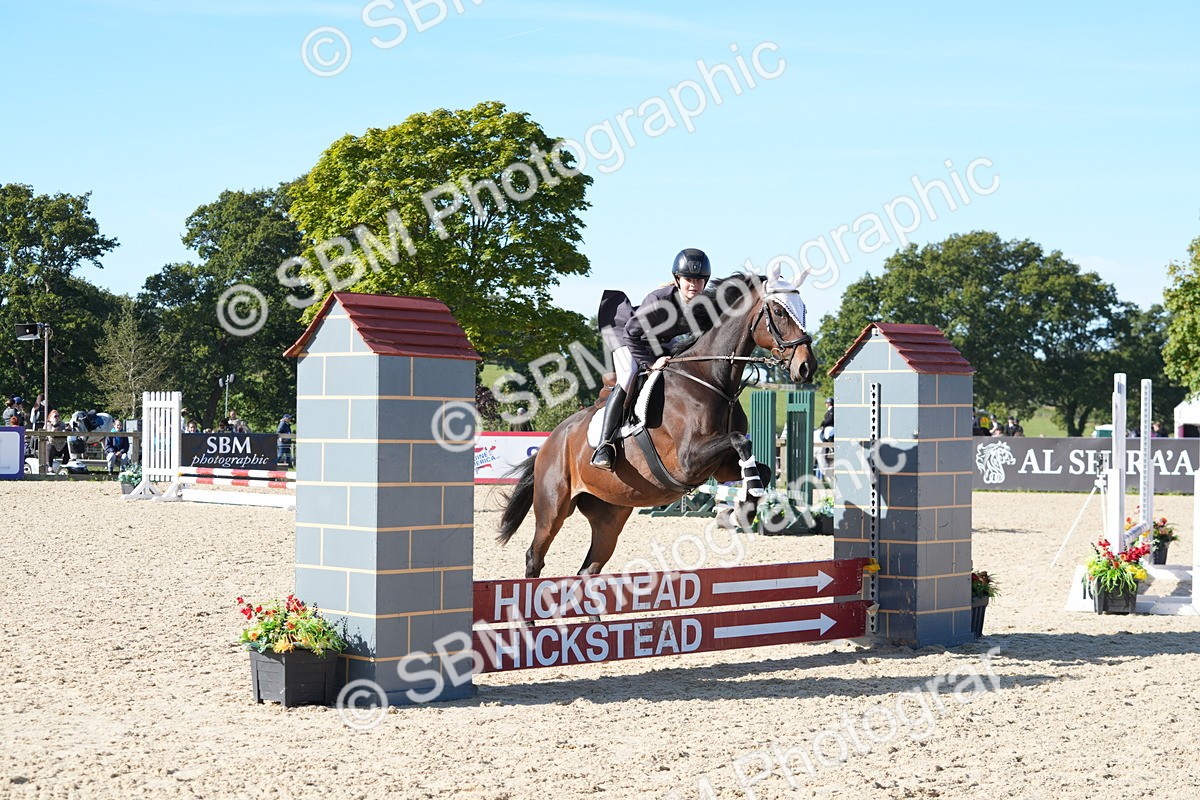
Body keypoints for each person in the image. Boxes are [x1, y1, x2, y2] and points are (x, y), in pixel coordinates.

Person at [592, 248, 712, 470]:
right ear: (677, 279)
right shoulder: (659, 300)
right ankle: (604, 445)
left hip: (656, 339)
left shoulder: (703, 304)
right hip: (623, 331)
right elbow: (631, 333)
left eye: (699, 279)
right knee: (628, 374)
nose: (693, 284)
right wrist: (650, 363)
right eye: (688, 279)